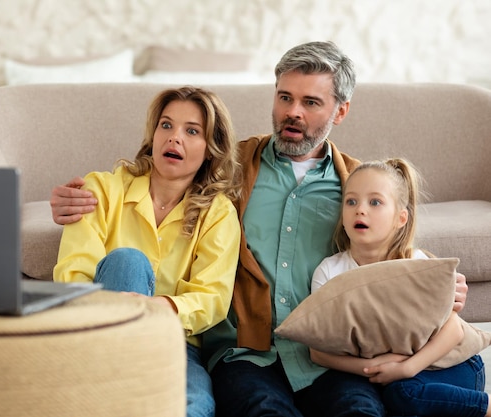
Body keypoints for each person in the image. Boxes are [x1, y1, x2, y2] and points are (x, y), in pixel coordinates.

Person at [49, 41, 469, 416]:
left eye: (310, 102)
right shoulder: (229, 166)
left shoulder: (357, 184)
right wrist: (76, 198)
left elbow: (393, 245)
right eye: (285, 97)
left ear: (340, 111)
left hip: (325, 354)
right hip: (246, 351)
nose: (293, 112)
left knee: (357, 409)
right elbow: (163, 171)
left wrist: (438, 282)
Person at [53, 86, 242, 417]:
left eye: (192, 131)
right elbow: (73, 276)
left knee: (196, 406)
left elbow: (212, 299)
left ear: (210, 149)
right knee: (127, 261)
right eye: (166, 125)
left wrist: (156, 307)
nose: (174, 138)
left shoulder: (219, 213)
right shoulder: (100, 189)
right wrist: (122, 315)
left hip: (173, 343)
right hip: (99, 337)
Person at [310, 158, 489, 417]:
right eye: (351, 201)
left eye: (375, 202)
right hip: (391, 376)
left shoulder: (415, 263)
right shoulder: (328, 271)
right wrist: (369, 367)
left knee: (403, 394)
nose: (360, 210)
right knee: (387, 402)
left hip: (450, 364)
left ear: (400, 218)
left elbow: (453, 331)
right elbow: (318, 352)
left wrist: (407, 367)